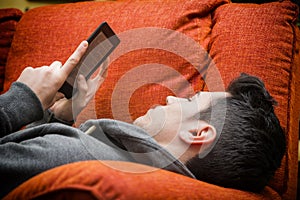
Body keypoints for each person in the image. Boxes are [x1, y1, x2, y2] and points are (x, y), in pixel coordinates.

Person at [0, 41, 286, 198]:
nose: (172, 99)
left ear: (199, 133)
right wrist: (60, 117)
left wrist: (23, 100)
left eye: (189, 100)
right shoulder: (126, 165)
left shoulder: (79, 156)